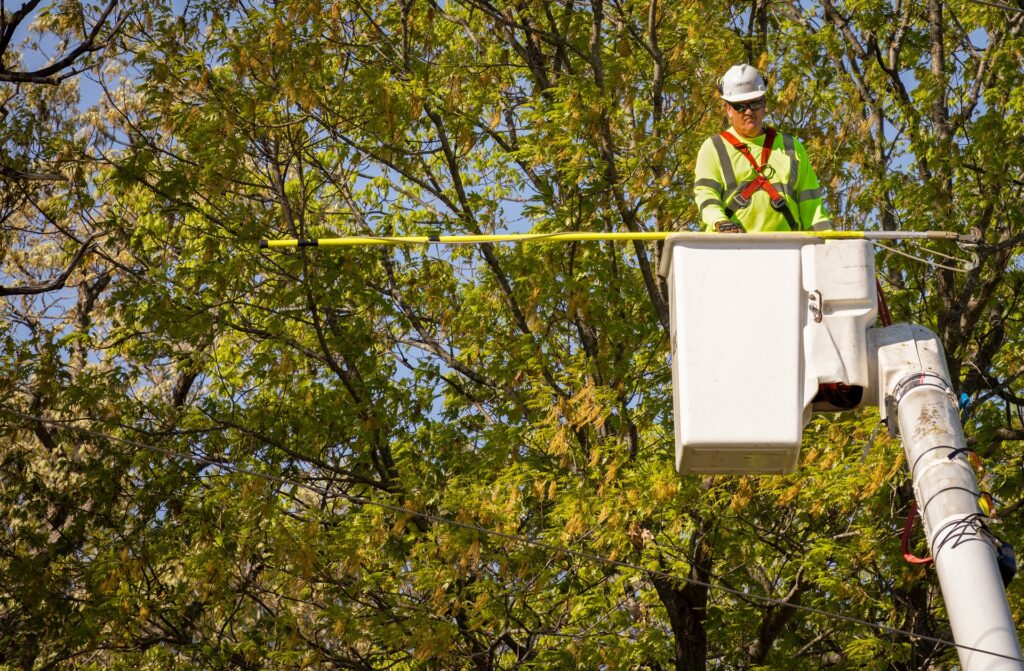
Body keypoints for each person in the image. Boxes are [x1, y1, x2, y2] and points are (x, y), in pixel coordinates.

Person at [693, 64, 831, 233]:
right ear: (728, 109)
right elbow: (706, 195)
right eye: (740, 106)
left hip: (787, 250)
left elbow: (812, 206)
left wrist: (827, 244)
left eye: (755, 103)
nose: (749, 111)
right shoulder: (714, 147)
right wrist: (719, 222)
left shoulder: (791, 148)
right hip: (730, 249)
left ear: (764, 104)